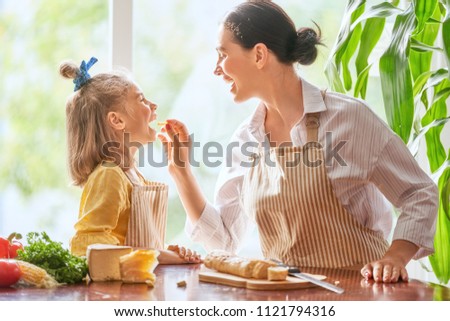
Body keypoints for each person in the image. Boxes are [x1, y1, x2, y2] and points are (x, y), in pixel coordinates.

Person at [159, 1, 438, 282]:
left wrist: (395, 257)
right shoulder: (247, 140)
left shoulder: (350, 119)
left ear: (258, 55)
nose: (216, 69)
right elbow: (223, 241)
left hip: (358, 295)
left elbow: (419, 193)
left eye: (222, 55)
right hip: (284, 298)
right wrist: (181, 172)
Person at [61, 57, 201, 264]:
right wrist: (161, 255)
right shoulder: (109, 175)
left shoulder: (131, 175)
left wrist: (163, 252)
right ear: (117, 120)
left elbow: (133, 244)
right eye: (142, 100)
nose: (154, 105)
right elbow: (90, 248)